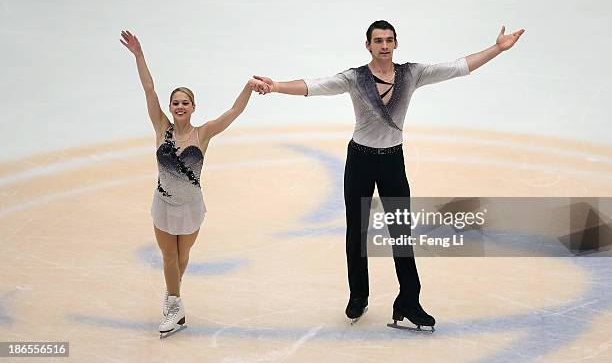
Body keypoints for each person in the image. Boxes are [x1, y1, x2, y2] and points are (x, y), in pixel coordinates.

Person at [254, 20, 525, 329]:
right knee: (357, 230)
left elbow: (458, 67)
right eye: (378, 40)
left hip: (392, 162)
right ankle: (359, 296)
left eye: (389, 40)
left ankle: (409, 299)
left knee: (401, 232)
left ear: (396, 44)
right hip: (360, 160)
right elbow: (314, 86)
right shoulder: (355, 78)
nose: (384, 45)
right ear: (368, 45)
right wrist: (275, 86)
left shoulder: (411, 74)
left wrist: (497, 49)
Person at [120, 30, 269, 336]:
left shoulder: (204, 134)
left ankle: (172, 294)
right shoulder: (161, 128)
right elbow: (149, 90)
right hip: (163, 204)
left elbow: (234, 111)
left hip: (190, 207)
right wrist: (139, 55)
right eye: (175, 102)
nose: (178, 106)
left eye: (184, 102)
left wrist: (247, 87)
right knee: (169, 255)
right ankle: (175, 306)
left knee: (182, 256)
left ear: (193, 107)